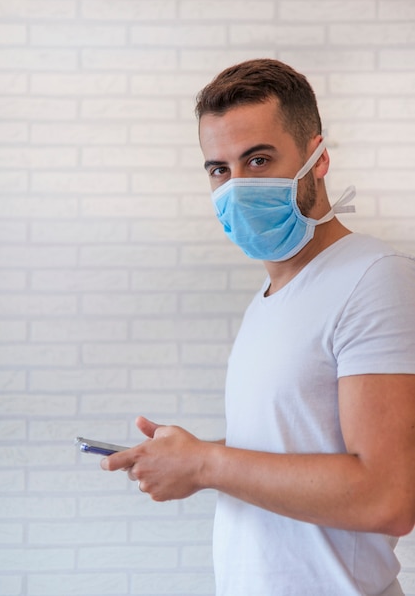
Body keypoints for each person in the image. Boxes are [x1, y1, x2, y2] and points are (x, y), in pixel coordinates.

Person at [101, 58, 415, 596]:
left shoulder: (374, 278)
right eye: (219, 170)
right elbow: (300, 443)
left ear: (318, 159)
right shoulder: (270, 297)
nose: (237, 187)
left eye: (259, 160)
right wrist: (188, 454)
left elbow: (387, 497)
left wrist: (205, 465)